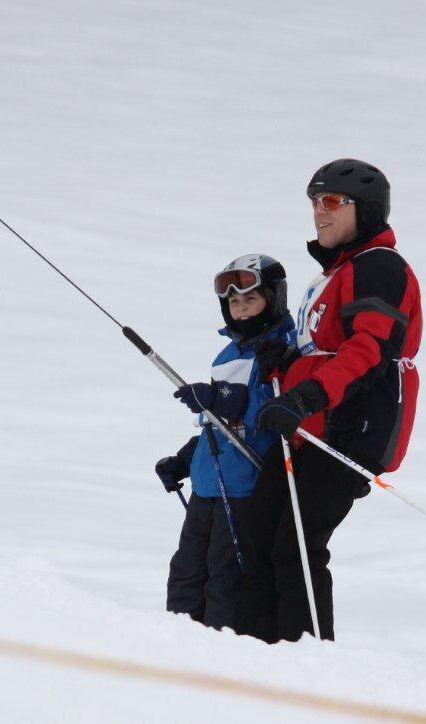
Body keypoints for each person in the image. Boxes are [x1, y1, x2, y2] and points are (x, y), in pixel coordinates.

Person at [233, 159, 423, 643]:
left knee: (297, 544)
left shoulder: (380, 267)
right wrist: (285, 364)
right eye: (315, 201)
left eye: (333, 202)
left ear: (367, 211)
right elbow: (325, 351)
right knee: (259, 532)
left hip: (349, 428)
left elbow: (369, 349)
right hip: (308, 425)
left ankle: (307, 664)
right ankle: (254, 654)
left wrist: (306, 396)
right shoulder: (336, 274)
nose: (320, 212)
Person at [155, 254, 296, 630]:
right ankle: (177, 649)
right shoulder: (227, 354)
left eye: (250, 299)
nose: (241, 308)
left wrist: (224, 400)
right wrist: (185, 460)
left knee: (224, 581)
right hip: (207, 485)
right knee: (186, 575)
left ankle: (220, 662)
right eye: (233, 302)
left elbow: (272, 413)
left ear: (274, 299)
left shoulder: (283, 350)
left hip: (245, 489)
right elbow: (215, 425)